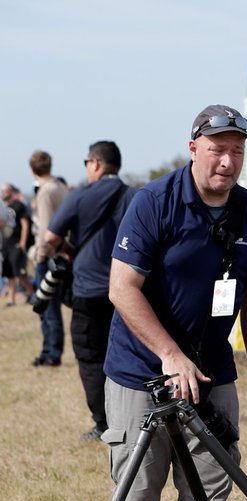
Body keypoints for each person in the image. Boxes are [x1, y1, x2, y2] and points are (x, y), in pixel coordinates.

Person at [103, 104, 247, 501]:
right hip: (140, 373)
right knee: (137, 495)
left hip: (214, 373)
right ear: (194, 146)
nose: (227, 161)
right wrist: (169, 355)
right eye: (218, 149)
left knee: (207, 495)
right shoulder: (153, 202)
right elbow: (122, 288)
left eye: (237, 151)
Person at [46, 141, 135, 441]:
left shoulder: (80, 195)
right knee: (125, 354)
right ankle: (130, 418)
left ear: (95, 163)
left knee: (89, 357)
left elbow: (50, 237)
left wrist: (71, 251)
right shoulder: (133, 195)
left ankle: (103, 424)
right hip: (127, 290)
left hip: (87, 290)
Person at [29, 152, 70, 366]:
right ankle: (53, 350)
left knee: (46, 306)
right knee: (52, 307)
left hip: (48, 256)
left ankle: (51, 353)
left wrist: (41, 254)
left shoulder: (45, 192)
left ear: (32, 169)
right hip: (63, 252)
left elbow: (45, 228)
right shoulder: (61, 186)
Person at [1, 183, 35, 305]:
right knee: (9, 273)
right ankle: (11, 299)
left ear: (11, 192)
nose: (4, 193)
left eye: (6, 190)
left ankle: (32, 293)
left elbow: (25, 225)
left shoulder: (19, 206)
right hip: (6, 243)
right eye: (2, 191)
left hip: (16, 242)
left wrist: (22, 242)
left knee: (20, 272)